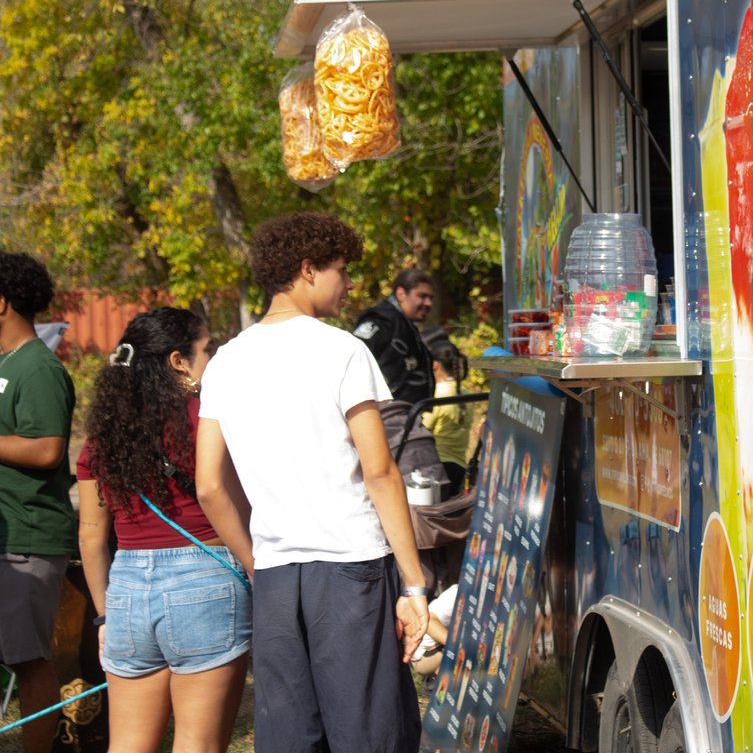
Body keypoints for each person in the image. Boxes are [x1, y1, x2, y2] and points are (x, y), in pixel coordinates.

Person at [194, 212, 429, 753]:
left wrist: (256, 561)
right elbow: (379, 471)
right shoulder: (341, 349)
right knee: (369, 731)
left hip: (276, 573)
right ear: (307, 270)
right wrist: (414, 584)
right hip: (350, 567)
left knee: (290, 735)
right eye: (341, 270)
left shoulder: (225, 361)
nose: (349, 285)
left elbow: (209, 483)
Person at [75, 307, 251, 752]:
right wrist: (258, 570)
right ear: (178, 360)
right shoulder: (206, 419)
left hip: (126, 592)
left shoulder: (104, 434)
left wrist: (103, 616)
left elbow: (92, 538)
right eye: (206, 349)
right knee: (198, 745)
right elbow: (228, 498)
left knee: (128, 746)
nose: (213, 357)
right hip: (206, 579)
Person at [0, 252, 75, 753]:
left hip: (28, 537)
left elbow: (47, 448)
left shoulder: (38, 367)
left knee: (27, 660)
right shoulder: (6, 365)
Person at [352, 268, 435, 405]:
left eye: (431, 298)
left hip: (407, 414)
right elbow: (354, 362)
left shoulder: (406, 326)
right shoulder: (381, 322)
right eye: (422, 296)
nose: (428, 303)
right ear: (401, 293)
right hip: (387, 415)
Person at [423, 339, 472, 492]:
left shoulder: (437, 394)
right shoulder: (466, 393)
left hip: (438, 468)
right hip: (460, 467)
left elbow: (422, 429)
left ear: (434, 365)